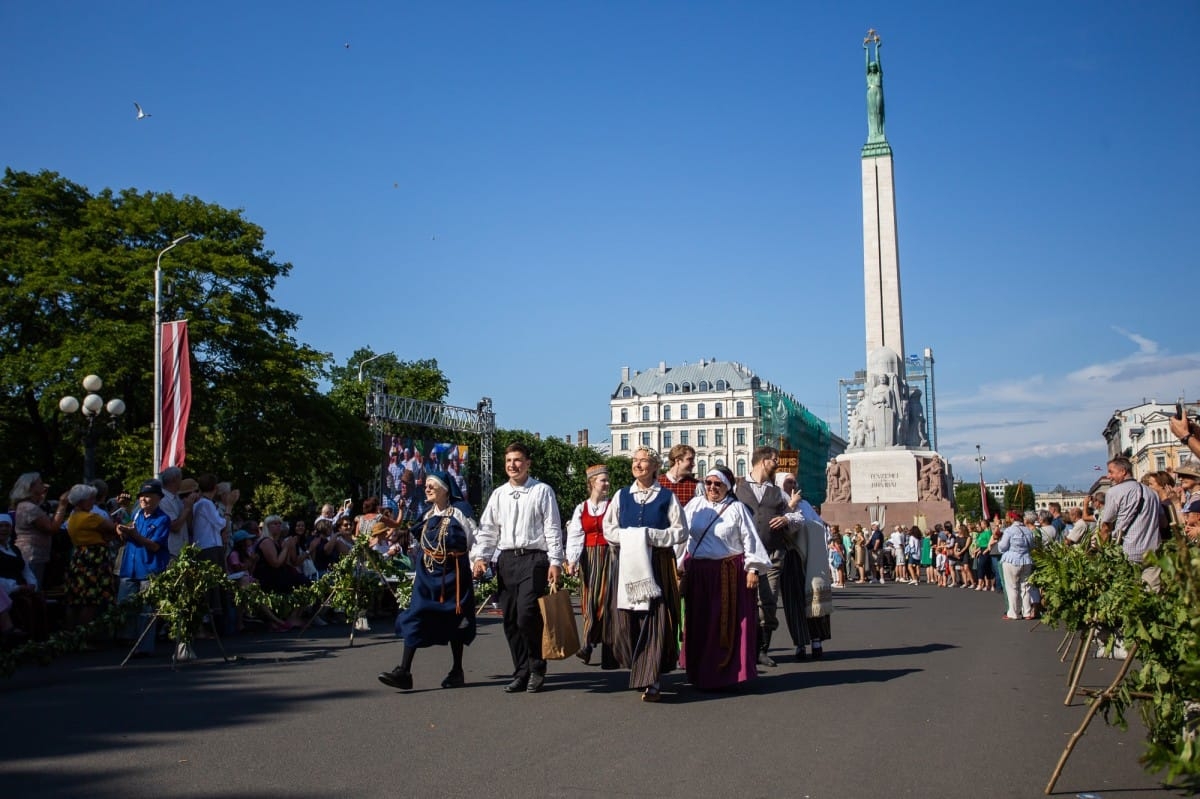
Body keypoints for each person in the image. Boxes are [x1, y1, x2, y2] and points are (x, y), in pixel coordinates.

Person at [470, 442, 564, 694]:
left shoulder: (542, 491)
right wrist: (481, 557)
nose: (513, 465)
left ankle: (536, 666)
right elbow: (488, 528)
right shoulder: (499, 494)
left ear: (528, 463)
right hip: (507, 560)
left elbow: (552, 527)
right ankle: (521, 671)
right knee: (510, 619)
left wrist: (556, 560)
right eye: (509, 460)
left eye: (518, 460)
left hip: (534, 559)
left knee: (526, 614)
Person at [380, 471, 478, 691]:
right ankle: (404, 671)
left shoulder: (461, 512)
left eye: (432, 485)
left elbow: (476, 541)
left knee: (456, 619)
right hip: (427, 575)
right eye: (426, 485)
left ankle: (457, 670)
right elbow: (413, 538)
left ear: (445, 489)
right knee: (415, 614)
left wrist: (477, 563)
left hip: (454, 575)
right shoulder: (426, 515)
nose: (427, 488)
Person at [602, 446, 686, 702]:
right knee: (627, 620)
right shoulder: (621, 495)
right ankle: (640, 668)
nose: (638, 465)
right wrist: (631, 538)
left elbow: (680, 531)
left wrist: (651, 537)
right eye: (635, 461)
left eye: (644, 461)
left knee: (655, 617)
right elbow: (608, 528)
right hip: (627, 564)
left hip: (657, 564)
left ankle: (653, 679)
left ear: (655, 466)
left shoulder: (666, 497)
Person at [679, 466, 767, 690]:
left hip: (728, 573)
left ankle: (725, 673)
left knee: (724, 623)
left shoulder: (736, 508)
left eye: (717, 484)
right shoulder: (695, 506)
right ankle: (700, 673)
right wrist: (678, 564)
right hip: (699, 572)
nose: (712, 488)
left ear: (727, 486)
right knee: (700, 621)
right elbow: (681, 536)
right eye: (708, 483)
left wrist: (753, 569)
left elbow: (750, 540)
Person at [734, 446, 799, 667]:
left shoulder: (777, 491)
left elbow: (798, 517)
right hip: (744, 556)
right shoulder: (738, 487)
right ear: (762, 461)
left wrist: (787, 519)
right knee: (743, 602)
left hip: (772, 554)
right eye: (774, 461)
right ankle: (743, 648)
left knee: (769, 601)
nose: (777, 465)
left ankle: (762, 649)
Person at [565, 464, 617, 669]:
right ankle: (587, 644)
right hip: (589, 557)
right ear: (592, 483)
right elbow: (575, 536)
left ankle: (606, 651)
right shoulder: (581, 508)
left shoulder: (613, 505)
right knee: (589, 602)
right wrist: (572, 560)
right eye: (603, 480)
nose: (607, 483)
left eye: (607, 480)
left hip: (610, 555)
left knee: (606, 601)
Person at [115, 480, 172, 651]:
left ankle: (144, 647)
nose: (144, 500)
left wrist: (134, 535)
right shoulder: (137, 514)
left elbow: (154, 545)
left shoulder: (163, 519)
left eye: (148, 496)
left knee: (147, 610)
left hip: (149, 568)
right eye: (142, 496)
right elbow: (130, 534)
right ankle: (127, 641)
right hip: (130, 566)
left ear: (158, 498)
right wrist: (122, 532)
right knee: (125, 606)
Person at [64, 483, 118, 628]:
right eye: (90, 499)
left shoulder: (73, 517)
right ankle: (84, 635)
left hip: (78, 557)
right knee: (91, 599)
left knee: (76, 598)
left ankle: (71, 634)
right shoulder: (91, 518)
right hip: (94, 558)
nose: (93, 502)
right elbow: (114, 529)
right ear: (81, 501)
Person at [1097, 456, 1162, 565]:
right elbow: (1162, 522)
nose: (1109, 476)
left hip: (1127, 552)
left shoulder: (1114, 492)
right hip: (1153, 552)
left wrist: (1100, 549)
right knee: (1153, 582)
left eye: (1111, 472)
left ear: (1122, 471)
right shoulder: (1153, 493)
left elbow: (1106, 526)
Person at [9, 472, 69, 588]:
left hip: (33, 553)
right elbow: (51, 528)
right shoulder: (29, 508)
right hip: (32, 554)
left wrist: (40, 498)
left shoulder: (26, 505)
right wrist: (62, 505)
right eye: (40, 483)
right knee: (33, 587)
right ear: (31, 487)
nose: (44, 485)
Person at [0, 512, 49, 641]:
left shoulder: (14, 549)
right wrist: (16, 587)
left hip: (23, 586)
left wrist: (32, 583)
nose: (4, 529)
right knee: (24, 603)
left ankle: (39, 639)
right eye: (1, 526)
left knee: (38, 599)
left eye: (7, 526)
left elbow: (25, 569)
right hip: (7, 590)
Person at [998, 511, 1037, 620]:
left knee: (1012, 587)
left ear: (1011, 518)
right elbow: (1032, 546)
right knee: (1025, 587)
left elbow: (1002, 547)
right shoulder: (1028, 530)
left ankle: (1013, 613)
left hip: (1011, 560)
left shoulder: (1009, 530)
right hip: (1026, 560)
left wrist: (999, 542)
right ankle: (1027, 612)